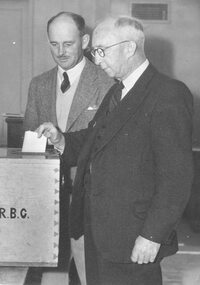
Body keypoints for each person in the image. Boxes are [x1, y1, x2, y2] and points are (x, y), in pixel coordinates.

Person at [36, 15, 194, 285]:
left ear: (129, 48)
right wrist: (62, 140)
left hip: (134, 240)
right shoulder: (117, 91)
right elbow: (96, 140)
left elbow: (176, 178)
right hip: (100, 234)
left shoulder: (168, 94)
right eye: (94, 52)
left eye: (101, 51)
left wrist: (152, 236)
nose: (96, 59)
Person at [23, 11, 114, 285]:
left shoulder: (107, 83)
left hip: (88, 198)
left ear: (84, 41)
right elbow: (29, 144)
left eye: (68, 44)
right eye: (54, 44)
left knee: (86, 273)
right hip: (45, 196)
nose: (60, 52)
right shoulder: (38, 84)